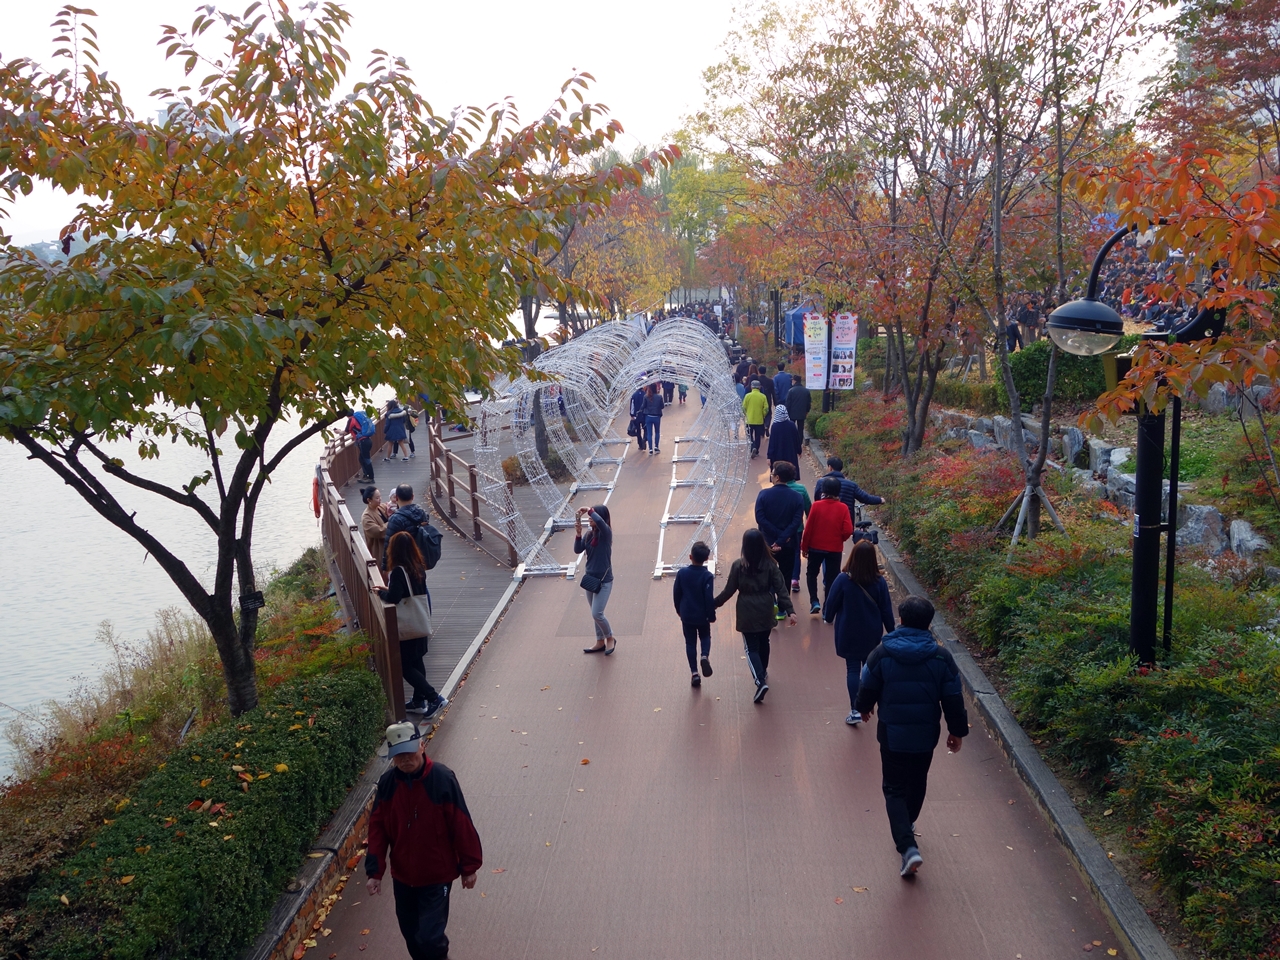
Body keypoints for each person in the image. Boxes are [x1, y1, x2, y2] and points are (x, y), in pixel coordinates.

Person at [855, 595, 969, 878]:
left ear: (901, 619)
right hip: (925, 733)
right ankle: (909, 821)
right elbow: (953, 697)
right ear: (929, 623)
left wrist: (863, 708)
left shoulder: (882, 652)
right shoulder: (941, 657)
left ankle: (907, 847)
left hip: (892, 733)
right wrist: (956, 730)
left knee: (893, 788)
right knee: (917, 781)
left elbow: (867, 684)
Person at [366, 720, 482, 960]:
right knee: (411, 936)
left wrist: (469, 867)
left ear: (422, 745)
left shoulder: (442, 778)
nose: (405, 760)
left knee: (430, 937)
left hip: (436, 876)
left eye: (409, 753)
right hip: (403, 877)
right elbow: (377, 829)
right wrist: (374, 872)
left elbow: (461, 823)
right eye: (399, 756)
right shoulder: (388, 784)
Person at [714, 528, 796, 703]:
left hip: (746, 610)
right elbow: (781, 588)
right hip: (766, 607)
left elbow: (729, 590)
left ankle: (759, 681)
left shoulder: (739, 566)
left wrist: (714, 604)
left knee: (750, 647)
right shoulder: (771, 565)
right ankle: (763, 671)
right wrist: (790, 610)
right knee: (764, 642)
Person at [378, 532, 448, 718]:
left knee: (403, 665)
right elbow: (409, 592)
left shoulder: (398, 571)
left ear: (394, 550)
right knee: (417, 660)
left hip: (407, 625)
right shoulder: (418, 567)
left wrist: (381, 593)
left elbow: (394, 597)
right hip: (420, 620)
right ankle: (418, 701)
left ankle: (434, 698)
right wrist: (390, 589)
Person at [824, 540, 894, 725]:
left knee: (853, 669)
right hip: (871, 632)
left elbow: (831, 605)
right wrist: (892, 632)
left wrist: (829, 617)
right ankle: (869, 705)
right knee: (869, 669)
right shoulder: (879, 582)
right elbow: (886, 610)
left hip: (848, 631)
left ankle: (855, 709)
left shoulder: (843, 580)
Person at [753, 463, 805, 612]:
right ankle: (783, 608)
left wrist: (775, 536)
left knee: (767, 573)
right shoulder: (797, 497)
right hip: (788, 543)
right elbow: (796, 521)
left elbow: (760, 518)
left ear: (777, 477)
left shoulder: (763, 494)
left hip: (767, 542)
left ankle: (771, 603)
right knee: (786, 575)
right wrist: (783, 538)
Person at [801, 476, 854, 614]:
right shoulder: (843, 508)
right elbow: (848, 530)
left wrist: (804, 547)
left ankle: (814, 601)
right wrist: (840, 538)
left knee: (812, 573)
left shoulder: (816, 506)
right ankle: (827, 607)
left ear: (823, 490)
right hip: (834, 548)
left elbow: (808, 529)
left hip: (815, 547)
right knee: (832, 578)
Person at [673, 540, 716, 687]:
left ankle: (694, 673)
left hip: (687, 615)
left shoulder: (682, 573)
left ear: (690, 556)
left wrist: (679, 610)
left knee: (690, 643)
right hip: (702, 615)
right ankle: (704, 655)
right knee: (705, 636)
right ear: (706, 559)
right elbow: (709, 598)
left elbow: (676, 593)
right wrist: (711, 615)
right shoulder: (707, 576)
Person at [575, 505, 617, 655]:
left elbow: (600, 522)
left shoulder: (606, 534)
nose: (589, 518)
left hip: (604, 581)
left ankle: (610, 637)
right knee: (595, 613)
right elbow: (577, 550)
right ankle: (600, 641)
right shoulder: (589, 535)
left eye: (592, 516)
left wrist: (589, 509)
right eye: (589, 516)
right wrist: (578, 534)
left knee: (597, 613)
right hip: (591, 579)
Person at [815, 456, 886, 527]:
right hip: (845, 521)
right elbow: (865, 498)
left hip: (826, 519)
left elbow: (817, 499)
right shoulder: (851, 485)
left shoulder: (821, 482)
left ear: (830, 467)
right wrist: (879, 500)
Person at [384, 484, 433, 569]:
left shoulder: (395, 519)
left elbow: (388, 544)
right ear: (412, 496)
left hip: (401, 563)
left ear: (396, 498)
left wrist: (385, 567)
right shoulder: (422, 513)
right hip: (419, 559)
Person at [766, 403, 801, 475]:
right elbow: (797, 439)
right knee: (790, 471)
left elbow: (772, 443)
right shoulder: (792, 425)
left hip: (778, 453)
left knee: (779, 472)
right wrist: (799, 450)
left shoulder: (775, 426)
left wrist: (769, 456)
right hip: (790, 452)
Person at [360, 485, 390, 566]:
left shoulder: (380, 507)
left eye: (380, 496)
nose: (380, 499)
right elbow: (378, 532)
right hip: (379, 551)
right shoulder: (366, 517)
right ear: (369, 500)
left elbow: (390, 508)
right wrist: (391, 522)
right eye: (377, 498)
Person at [742, 380, 769, 458]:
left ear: (751, 387)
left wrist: (746, 414)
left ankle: (752, 447)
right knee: (758, 436)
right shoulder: (763, 396)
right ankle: (756, 450)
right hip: (759, 420)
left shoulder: (747, 396)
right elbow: (766, 408)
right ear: (759, 387)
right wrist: (763, 414)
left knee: (750, 436)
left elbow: (743, 407)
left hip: (749, 420)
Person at [642, 384, 665, 456]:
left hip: (648, 416)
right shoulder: (659, 397)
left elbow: (643, 406)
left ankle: (650, 449)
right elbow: (662, 406)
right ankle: (656, 447)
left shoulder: (646, 397)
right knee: (657, 432)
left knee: (649, 433)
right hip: (657, 416)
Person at [629, 385, 648, 453]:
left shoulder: (634, 395)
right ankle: (644, 439)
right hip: (644, 415)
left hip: (636, 416)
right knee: (645, 429)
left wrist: (632, 415)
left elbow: (632, 406)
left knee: (638, 430)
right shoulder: (645, 395)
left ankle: (640, 444)